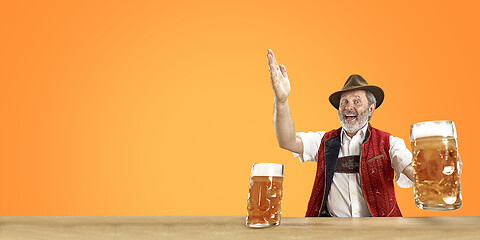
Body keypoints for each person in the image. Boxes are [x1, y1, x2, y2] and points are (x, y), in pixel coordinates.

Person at [266, 49, 414, 217]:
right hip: (330, 232)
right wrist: (282, 100)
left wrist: (433, 182)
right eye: (344, 102)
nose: (348, 107)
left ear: (371, 108)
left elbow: (411, 169)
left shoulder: (389, 143)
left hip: (379, 233)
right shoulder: (324, 141)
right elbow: (287, 141)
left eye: (357, 101)